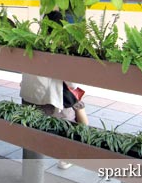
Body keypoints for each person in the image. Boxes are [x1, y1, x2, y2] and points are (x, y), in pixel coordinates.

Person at [19, 10, 88, 169]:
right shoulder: (61, 49)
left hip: (27, 98)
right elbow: (72, 84)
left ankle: (31, 166)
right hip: (50, 102)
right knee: (75, 107)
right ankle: (66, 157)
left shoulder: (30, 43)